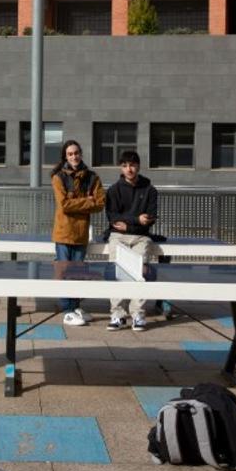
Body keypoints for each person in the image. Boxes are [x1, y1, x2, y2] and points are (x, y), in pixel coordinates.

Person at [103, 150, 158, 331]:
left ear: (138, 166)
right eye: (125, 165)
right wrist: (136, 220)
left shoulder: (150, 190)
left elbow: (150, 218)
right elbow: (113, 218)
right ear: (121, 167)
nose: (129, 169)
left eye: (132, 165)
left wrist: (129, 224)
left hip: (141, 237)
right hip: (118, 236)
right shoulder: (114, 190)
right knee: (116, 271)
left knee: (140, 272)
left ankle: (138, 315)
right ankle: (117, 315)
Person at [50, 139, 105, 326]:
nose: (74, 157)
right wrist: (87, 201)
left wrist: (83, 202)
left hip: (81, 233)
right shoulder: (58, 177)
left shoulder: (92, 177)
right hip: (64, 232)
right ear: (65, 157)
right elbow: (64, 205)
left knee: (78, 272)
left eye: (76, 153)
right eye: (70, 154)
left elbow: (100, 203)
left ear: (81, 154)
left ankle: (75, 307)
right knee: (64, 271)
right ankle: (67, 310)